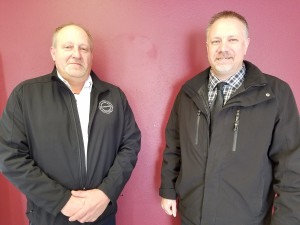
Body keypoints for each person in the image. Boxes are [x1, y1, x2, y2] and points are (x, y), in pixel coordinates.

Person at [159, 10, 300, 225]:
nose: (223, 48)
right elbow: (174, 145)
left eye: (232, 40)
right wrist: (168, 189)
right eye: (216, 41)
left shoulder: (276, 94)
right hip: (191, 217)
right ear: (207, 46)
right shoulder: (189, 92)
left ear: (246, 44)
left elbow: (292, 166)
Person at [0, 23, 141, 225]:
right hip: (49, 217)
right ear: (53, 52)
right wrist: (62, 201)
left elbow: (130, 145)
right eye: (68, 47)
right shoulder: (25, 95)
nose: (76, 54)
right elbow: (9, 156)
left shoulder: (114, 96)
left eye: (83, 48)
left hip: (102, 216)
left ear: (91, 55)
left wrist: (105, 193)